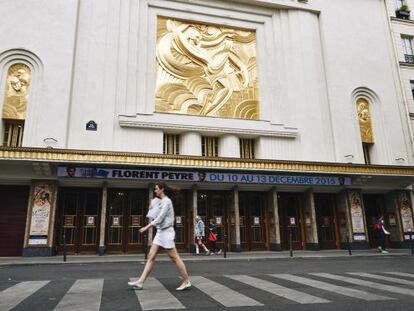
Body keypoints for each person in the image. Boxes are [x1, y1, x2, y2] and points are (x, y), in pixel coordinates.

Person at [128, 182, 191, 291]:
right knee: (150, 256)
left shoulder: (167, 201)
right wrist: (151, 209)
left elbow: (160, 218)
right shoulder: (159, 201)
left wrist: (146, 227)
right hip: (160, 232)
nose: (155, 190)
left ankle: (186, 281)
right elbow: (154, 214)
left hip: (167, 232)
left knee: (175, 258)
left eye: (156, 189)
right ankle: (140, 282)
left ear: (162, 190)